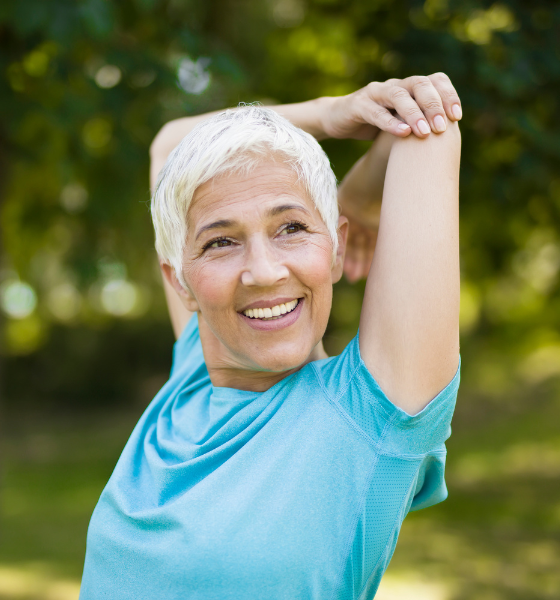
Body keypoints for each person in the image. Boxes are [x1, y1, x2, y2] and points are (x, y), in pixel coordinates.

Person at [80, 74, 463, 599]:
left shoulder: (372, 415)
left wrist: (357, 195)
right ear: (181, 283)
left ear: (334, 249)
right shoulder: (196, 370)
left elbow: (427, 124)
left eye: (291, 228)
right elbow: (170, 144)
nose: (263, 272)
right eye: (221, 242)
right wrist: (330, 113)